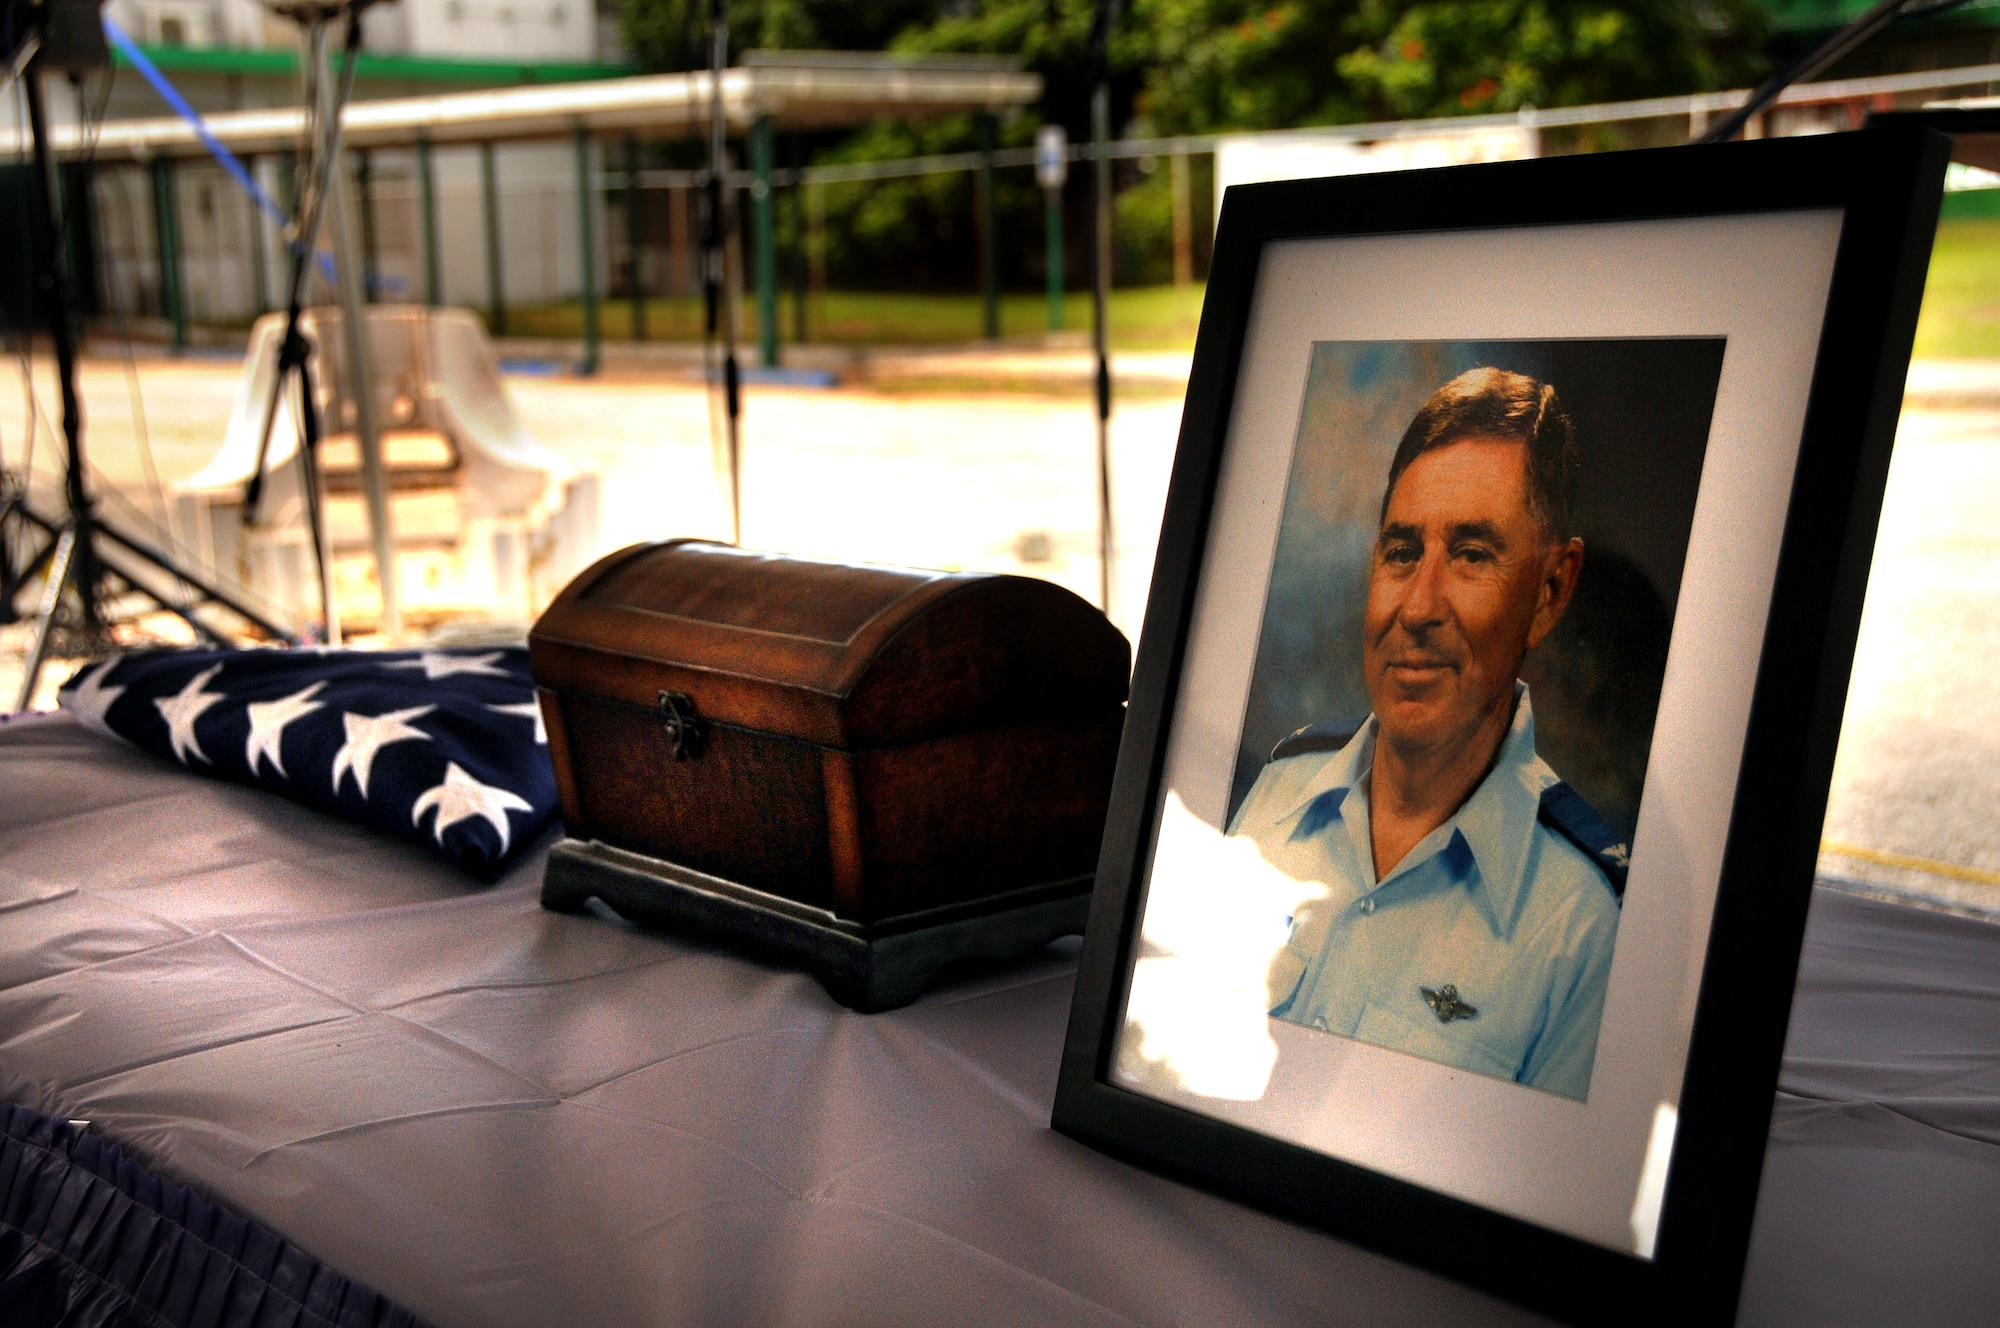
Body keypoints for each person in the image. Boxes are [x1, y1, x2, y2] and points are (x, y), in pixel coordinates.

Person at [1228, 367, 1625, 1101]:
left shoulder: (1583, 930)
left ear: (1550, 592)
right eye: (1402, 552)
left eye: (1472, 554)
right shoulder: (1276, 795)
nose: (1417, 607)